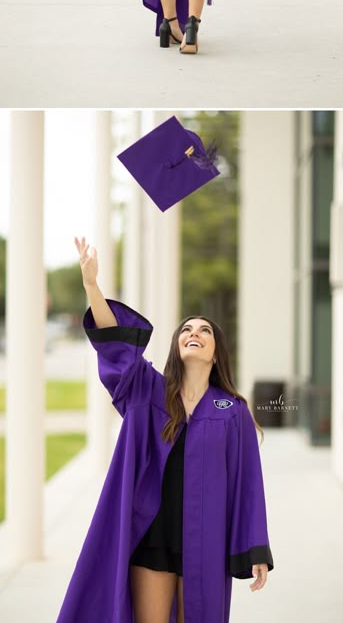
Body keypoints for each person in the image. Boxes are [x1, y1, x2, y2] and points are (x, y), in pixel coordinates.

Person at [58, 237, 273, 623]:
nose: (195, 332)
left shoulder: (232, 410)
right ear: (176, 345)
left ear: (216, 350)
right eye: (186, 329)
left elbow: (247, 483)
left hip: (205, 539)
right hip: (152, 534)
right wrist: (92, 285)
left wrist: (255, 547)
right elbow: (116, 349)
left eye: (205, 330)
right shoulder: (148, 388)